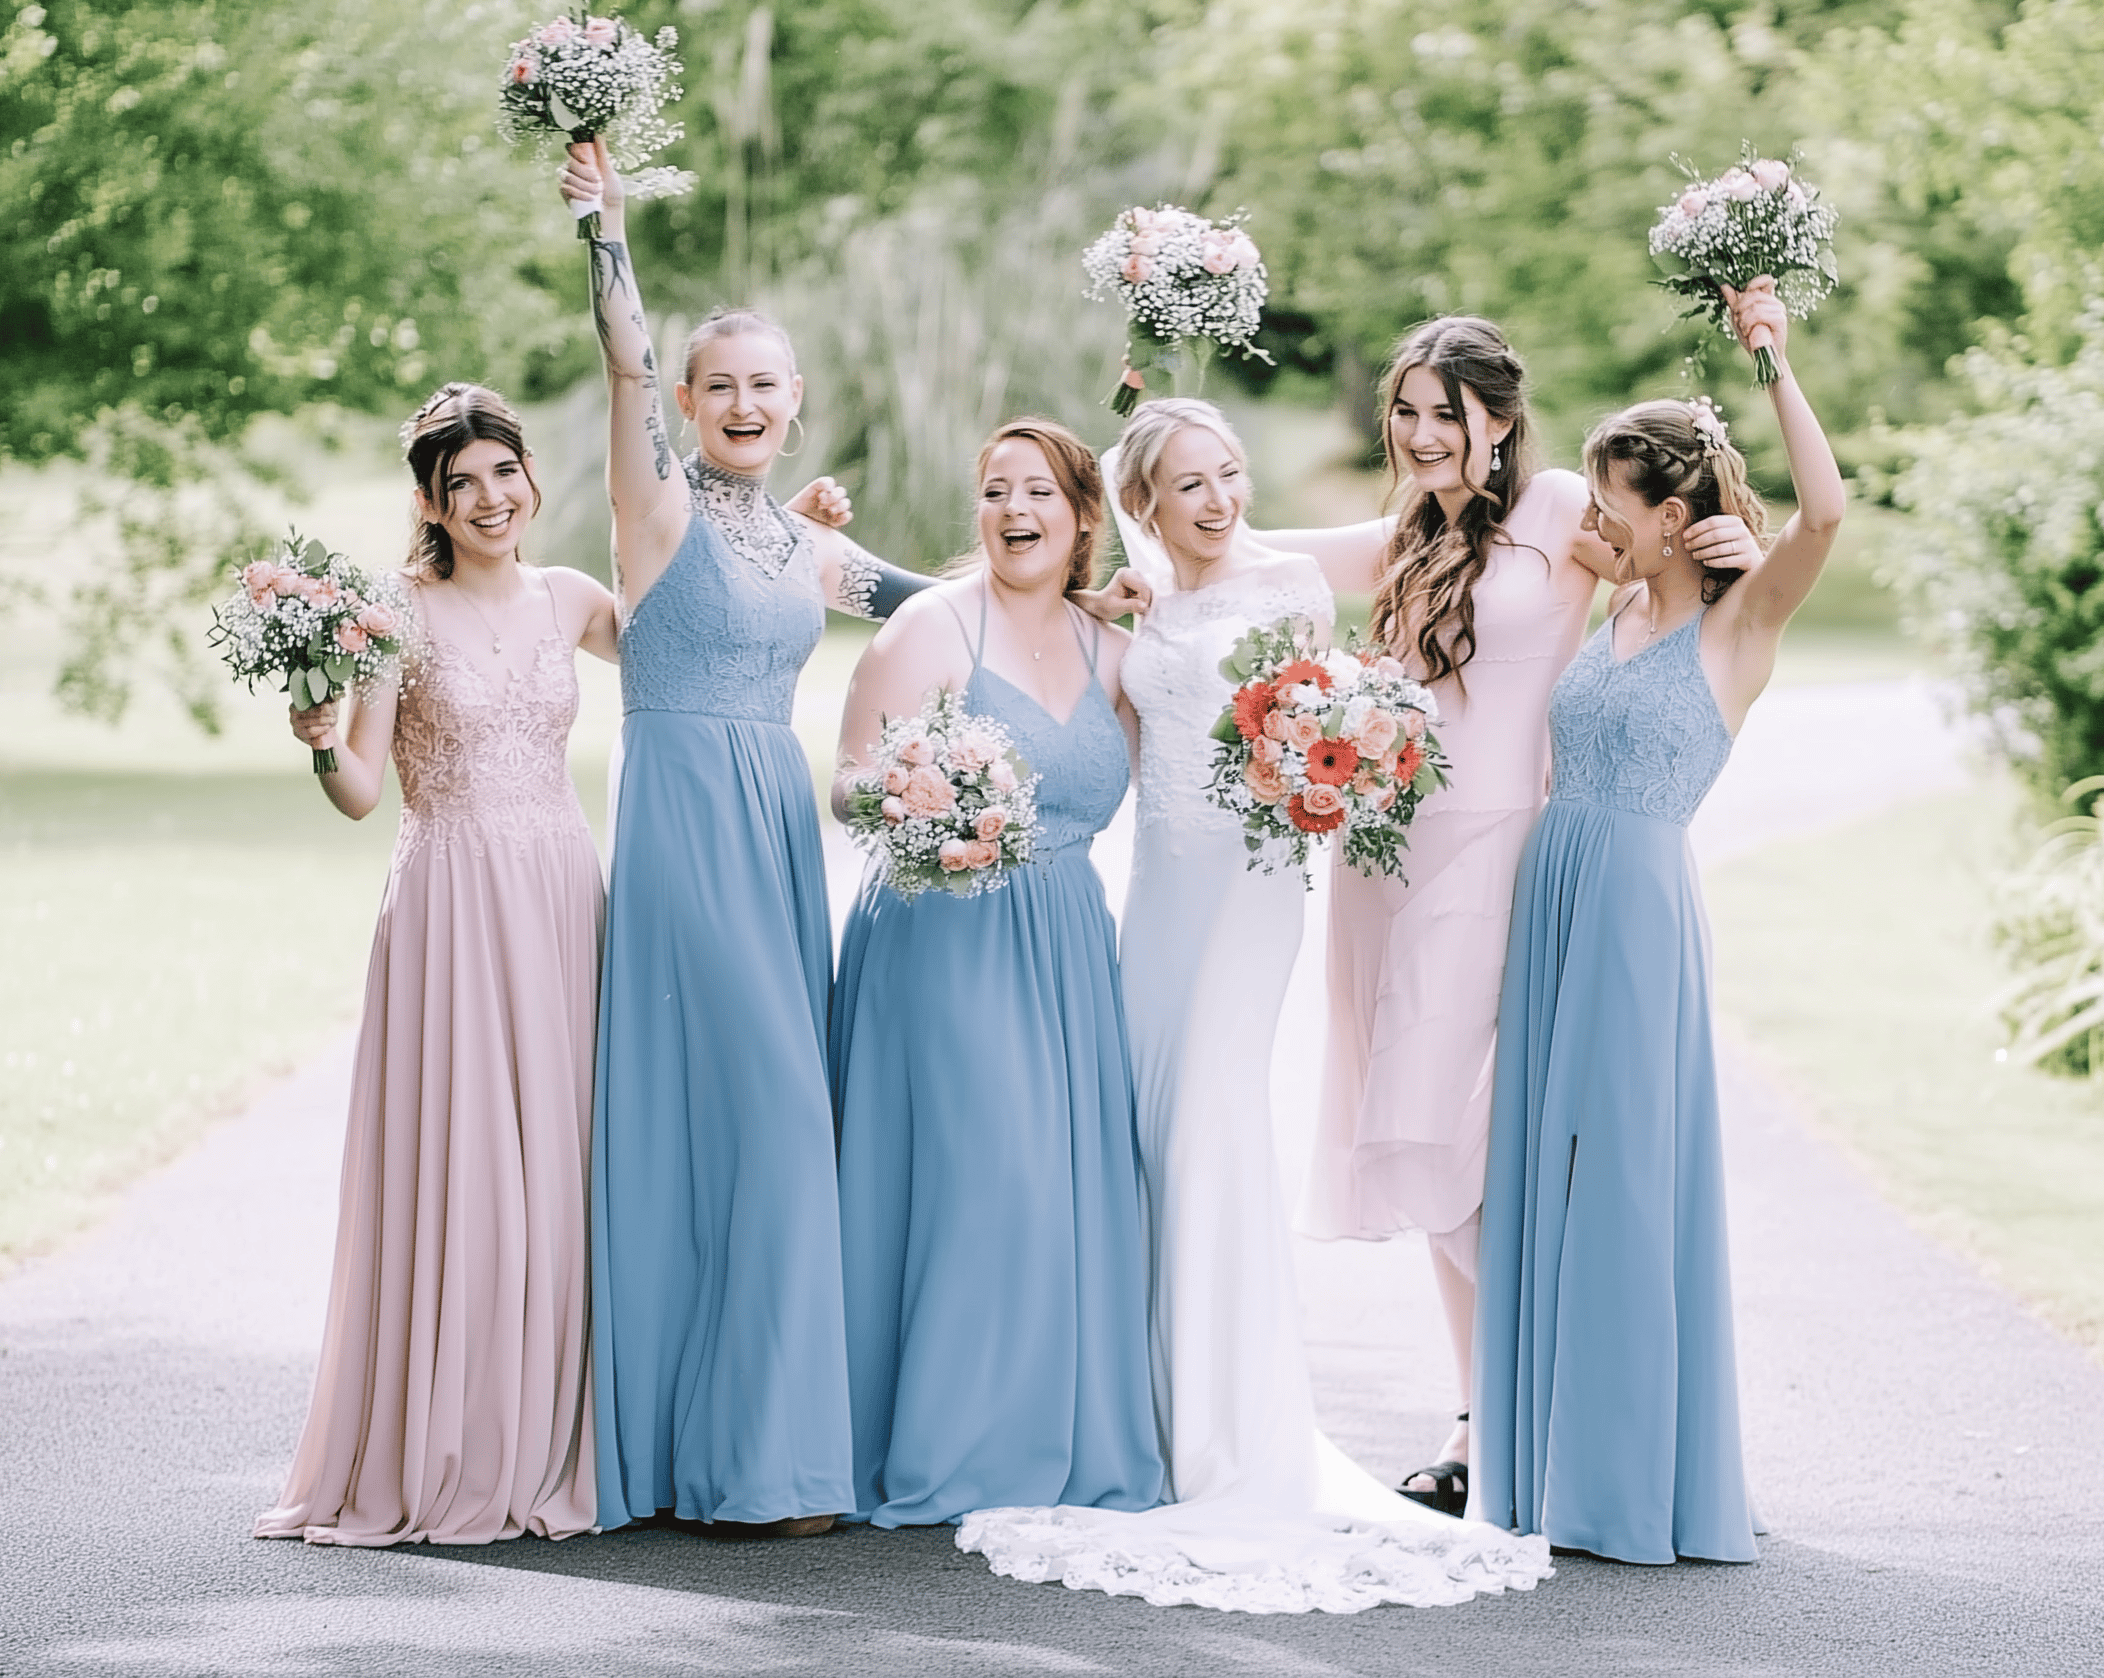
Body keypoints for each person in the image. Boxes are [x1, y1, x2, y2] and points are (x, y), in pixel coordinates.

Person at [1096, 320, 1756, 1512]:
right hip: (1382, 861)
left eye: (1443, 412)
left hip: (1497, 852)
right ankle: (1481, 1417)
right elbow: (1241, 536)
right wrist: (1137, 530)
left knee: (1448, 1128)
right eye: (1405, 410)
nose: (1419, 434)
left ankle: (1538, 1411)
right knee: (1446, 1142)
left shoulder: (1558, 510)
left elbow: (1671, 576)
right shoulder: (1405, 533)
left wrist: (1733, 547)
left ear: (1498, 418)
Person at [954, 399, 1548, 1611]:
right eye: (1191, 484)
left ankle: (1229, 1427)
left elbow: (1328, 717)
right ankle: (1138, 1408)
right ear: (1147, 502)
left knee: (1215, 1116)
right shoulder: (1127, 602)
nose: (1220, 500)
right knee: (1148, 1122)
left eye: (1231, 475)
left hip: (1256, 883)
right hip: (1162, 891)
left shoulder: (1286, 588)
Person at [555, 137, 936, 1534]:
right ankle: (753, 1469)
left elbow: (948, 603)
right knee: (766, 1120)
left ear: (796, 405)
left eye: (765, 384)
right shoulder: (654, 513)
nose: (740, 401)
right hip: (683, 830)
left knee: (765, 1124)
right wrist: (609, 234)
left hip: (777, 834)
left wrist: (1097, 543)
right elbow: (624, 370)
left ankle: (731, 1450)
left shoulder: (805, 547)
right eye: (719, 385)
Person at [1472, 279, 1843, 1562]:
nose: (1593, 520)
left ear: (1672, 515)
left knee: (1624, 1180)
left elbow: (1828, 512)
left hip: (1634, 914)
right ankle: (1539, 1464)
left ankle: (1628, 1477)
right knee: (1547, 1174)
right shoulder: (1616, 595)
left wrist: (1769, 360)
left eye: (1615, 504)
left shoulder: (1743, 630)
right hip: (1555, 895)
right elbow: (1489, 525)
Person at [258, 383, 617, 1546]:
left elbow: (696, 637)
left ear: (530, 476)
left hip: (562, 892)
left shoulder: (572, 599)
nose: (489, 498)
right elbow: (363, 793)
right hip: (452, 903)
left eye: (502, 473)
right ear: (430, 501)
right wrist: (320, 746)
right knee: (465, 1172)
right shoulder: (393, 613)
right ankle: (449, 1439)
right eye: (461, 484)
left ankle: (555, 1430)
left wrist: (798, 537)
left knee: (559, 1168)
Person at [827, 418, 1165, 1527]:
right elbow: (848, 781)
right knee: (985, 1181)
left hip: (1067, 938)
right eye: (994, 490)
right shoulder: (931, 628)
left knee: (1063, 1192)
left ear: (1080, 518)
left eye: (1038, 493)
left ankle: (1054, 1438)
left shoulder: (1114, 649)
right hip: (945, 929)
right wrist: (930, 798)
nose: (1013, 510)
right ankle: (953, 1442)